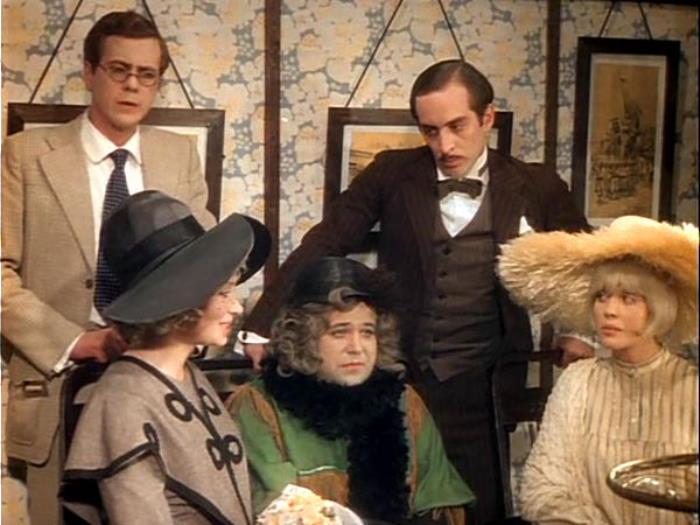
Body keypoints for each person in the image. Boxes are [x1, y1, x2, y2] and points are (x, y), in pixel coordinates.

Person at [240, 59, 590, 523]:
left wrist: (579, 330)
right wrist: (263, 323)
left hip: (485, 383)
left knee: (480, 509)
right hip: (399, 380)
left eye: (457, 126)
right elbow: (327, 241)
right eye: (430, 131)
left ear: (487, 117)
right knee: (387, 505)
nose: (445, 145)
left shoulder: (536, 185)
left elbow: (587, 261)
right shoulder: (391, 173)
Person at [1, 10, 214, 523]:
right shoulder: (25, 156)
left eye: (147, 75)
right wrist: (77, 341)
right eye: (119, 70)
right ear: (89, 71)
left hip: (158, 386)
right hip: (59, 388)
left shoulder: (179, 156)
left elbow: (205, 264)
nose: (132, 85)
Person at [61, 190, 270, 524]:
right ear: (181, 302)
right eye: (223, 294)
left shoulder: (187, 374)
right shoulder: (123, 402)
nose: (235, 307)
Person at [227, 257, 474, 524]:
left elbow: (440, 506)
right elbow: (276, 511)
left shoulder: (404, 402)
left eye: (367, 332)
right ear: (302, 338)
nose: (357, 348)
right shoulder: (257, 406)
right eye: (339, 332)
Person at [497, 215, 698, 524]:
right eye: (601, 297)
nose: (610, 310)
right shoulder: (578, 382)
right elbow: (543, 487)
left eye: (629, 299)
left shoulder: (692, 389)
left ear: (659, 306)